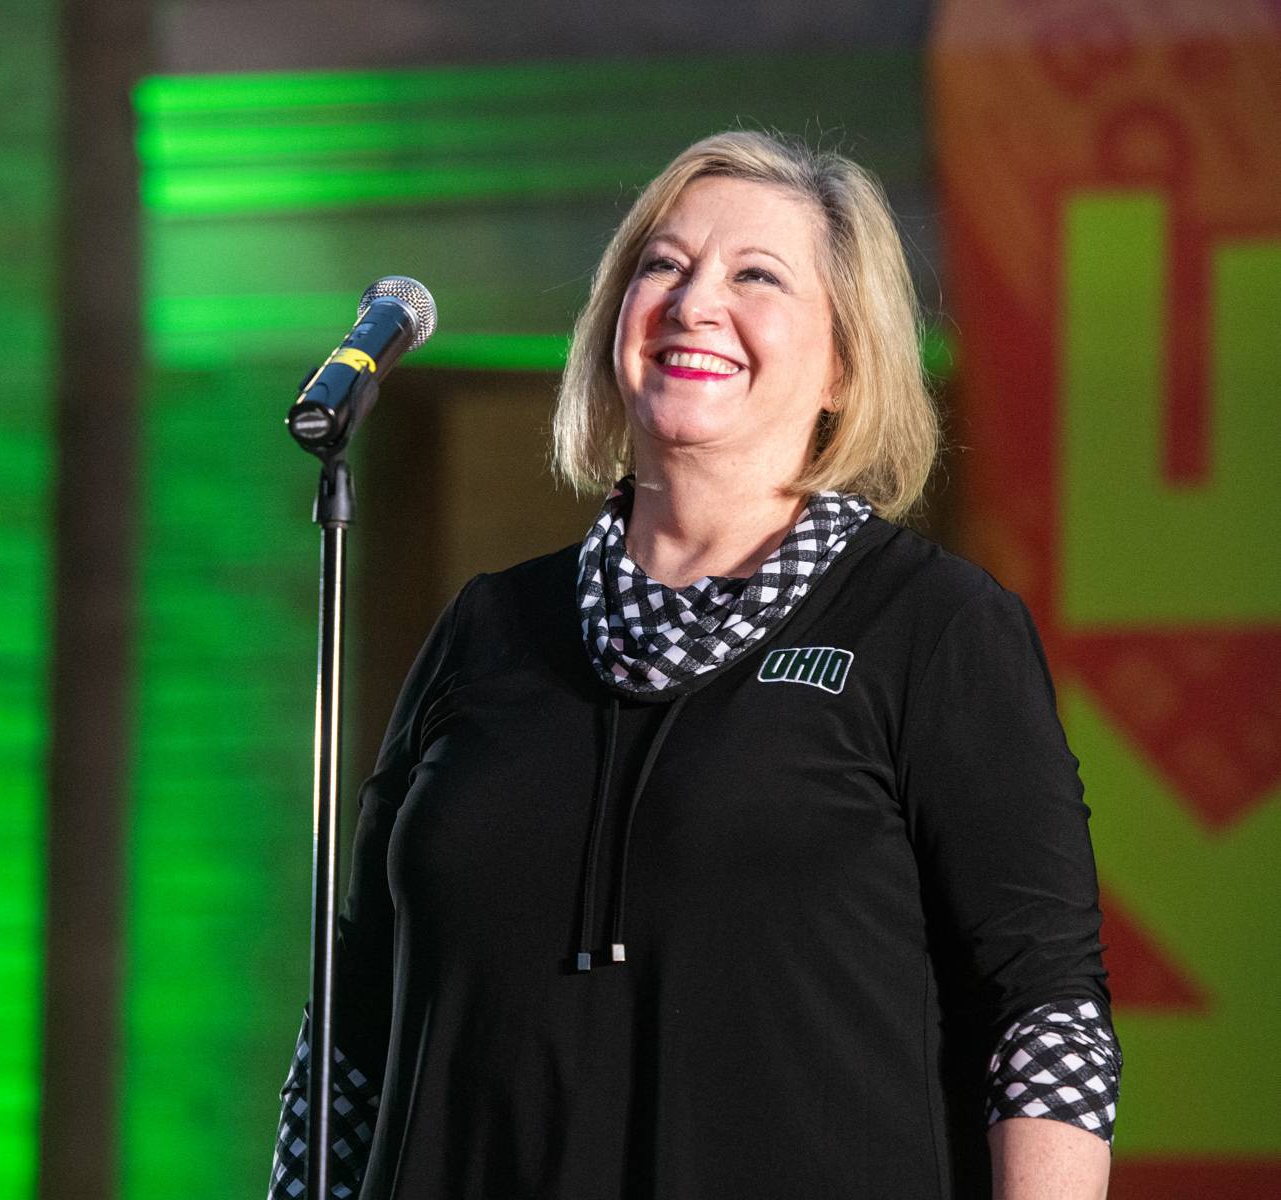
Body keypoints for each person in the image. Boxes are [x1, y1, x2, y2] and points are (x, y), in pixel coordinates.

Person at [268, 130, 1120, 1200]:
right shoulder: (490, 628)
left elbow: (1043, 1008)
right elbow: (354, 1022)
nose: (693, 302)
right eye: (661, 266)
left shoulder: (932, 629)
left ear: (845, 363)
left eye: (755, 276)